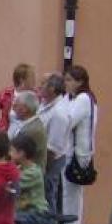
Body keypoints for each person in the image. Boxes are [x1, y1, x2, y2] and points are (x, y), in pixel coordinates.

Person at [61, 65, 97, 224]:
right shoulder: (73, 98)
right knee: (69, 193)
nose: (65, 83)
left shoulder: (83, 99)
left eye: (69, 80)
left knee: (72, 194)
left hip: (77, 153)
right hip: (71, 151)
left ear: (80, 81)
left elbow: (68, 120)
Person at [37, 73, 69, 214]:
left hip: (49, 162)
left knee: (48, 197)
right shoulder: (44, 104)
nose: (39, 86)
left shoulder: (59, 113)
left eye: (43, 83)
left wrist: (42, 168)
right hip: (40, 159)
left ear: (52, 89)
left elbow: (53, 148)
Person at [0, 63, 35, 133]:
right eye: (32, 77)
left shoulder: (36, 95)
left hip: (29, 137)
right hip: (8, 137)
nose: (34, 80)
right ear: (22, 80)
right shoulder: (6, 94)